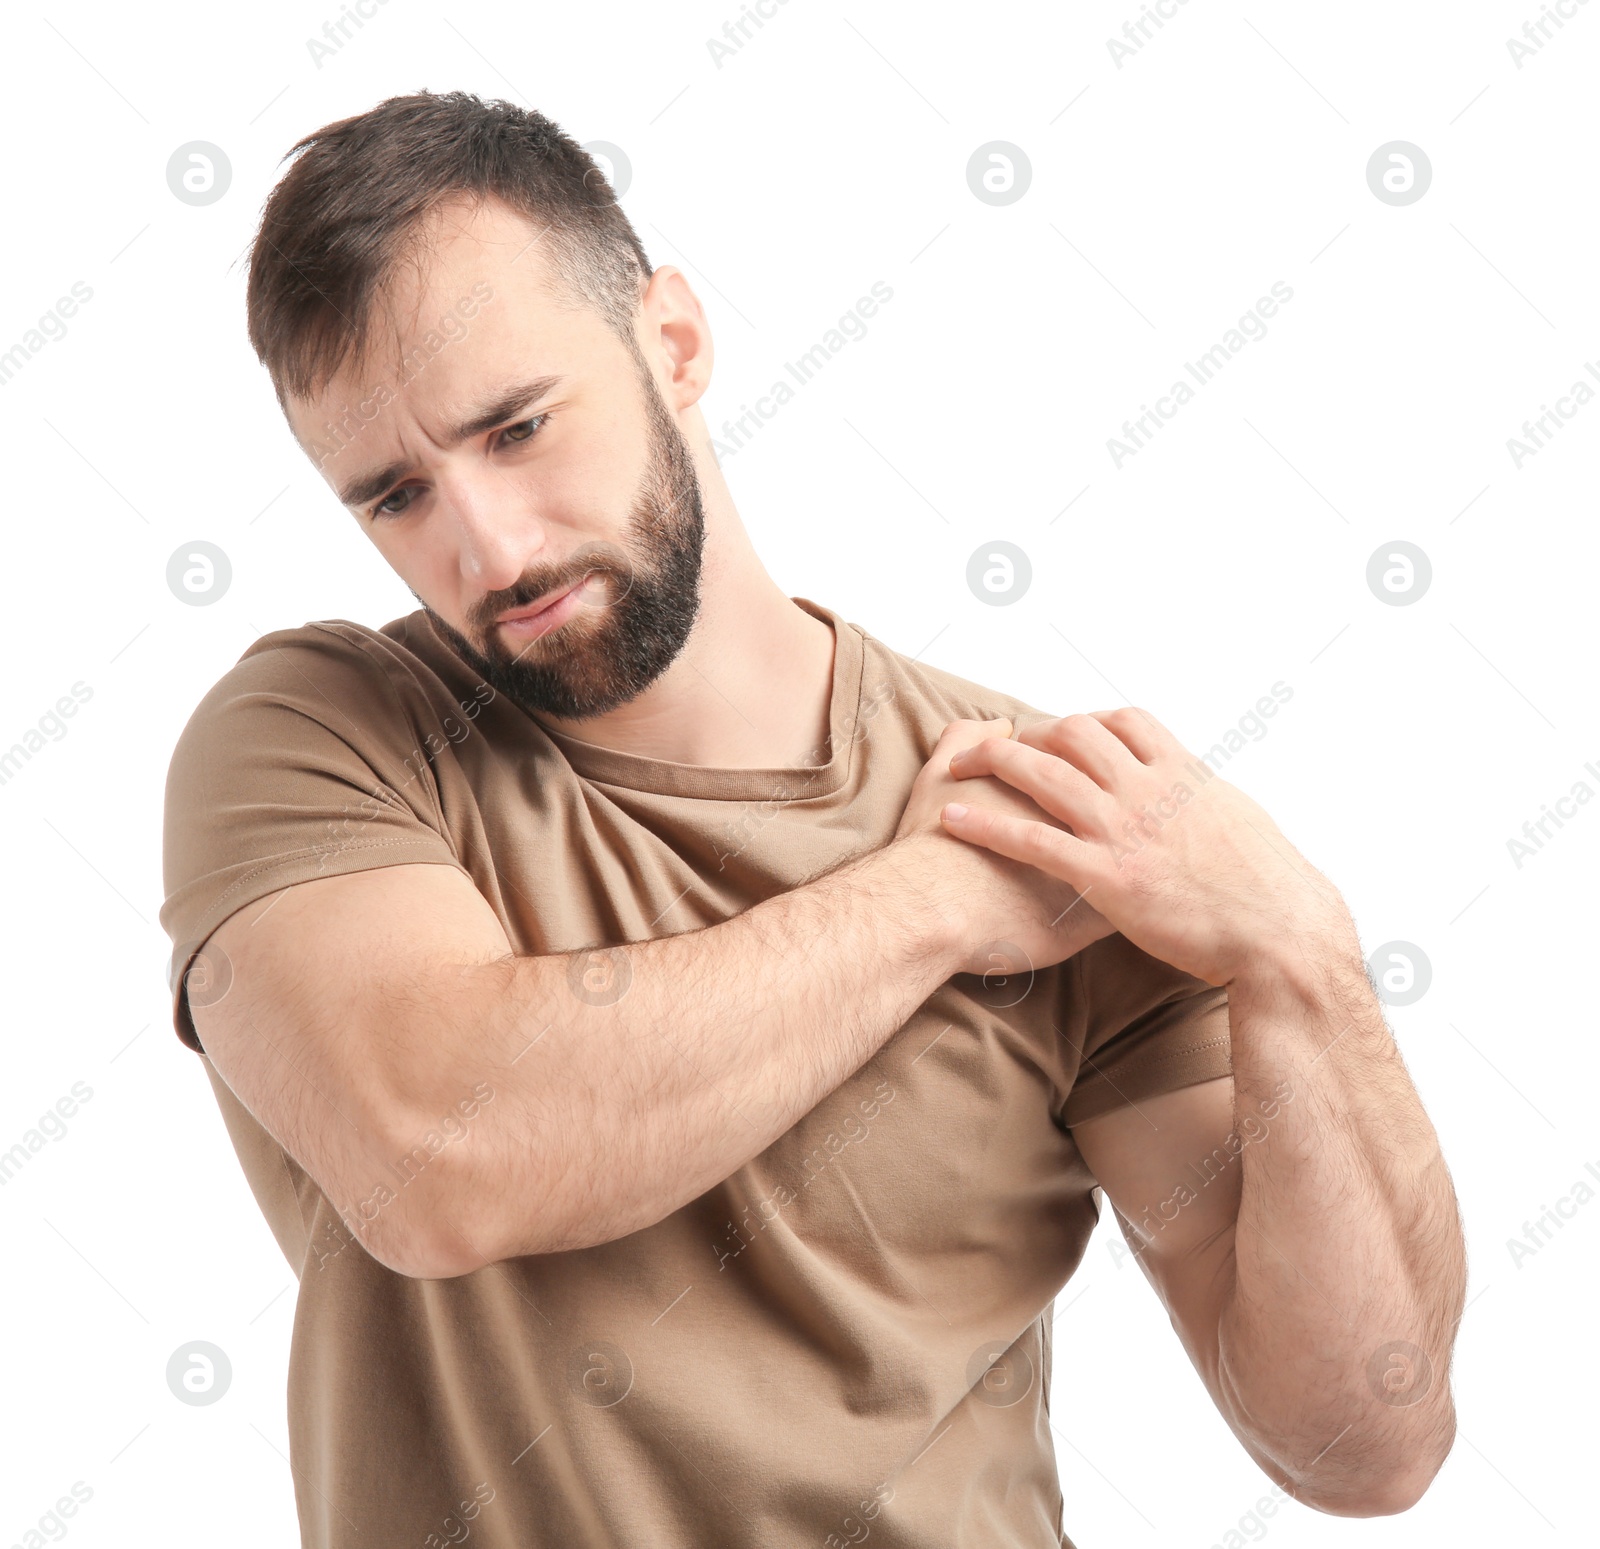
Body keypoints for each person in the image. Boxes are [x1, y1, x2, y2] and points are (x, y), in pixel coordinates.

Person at [159, 90, 1465, 1549]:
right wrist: (928, 905)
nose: (489, 546)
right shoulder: (321, 735)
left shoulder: (1059, 820)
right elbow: (439, 1160)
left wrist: (1305, 958)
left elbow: (1364, 1440)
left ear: (675, 341)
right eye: (396, 496)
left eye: (518, 427)